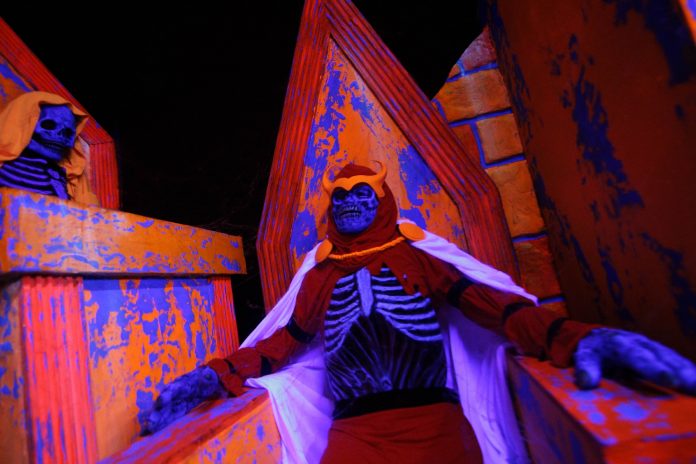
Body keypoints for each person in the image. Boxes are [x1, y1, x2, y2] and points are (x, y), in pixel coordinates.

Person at [142, 163, 696, 463]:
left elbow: (497, 309)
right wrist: (212, 376)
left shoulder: (418, 256)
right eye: (341, 196)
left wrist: (576, 338)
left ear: (383, 200)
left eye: (363, 193)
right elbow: (280, 344)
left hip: (435, 425)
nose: (351, 203)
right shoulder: (321, 273)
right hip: (356, 432)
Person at [0, 91, 98, 204]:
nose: (60, 137)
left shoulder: (67, 179)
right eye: (48, 125)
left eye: (68, 133)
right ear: (21, 126)